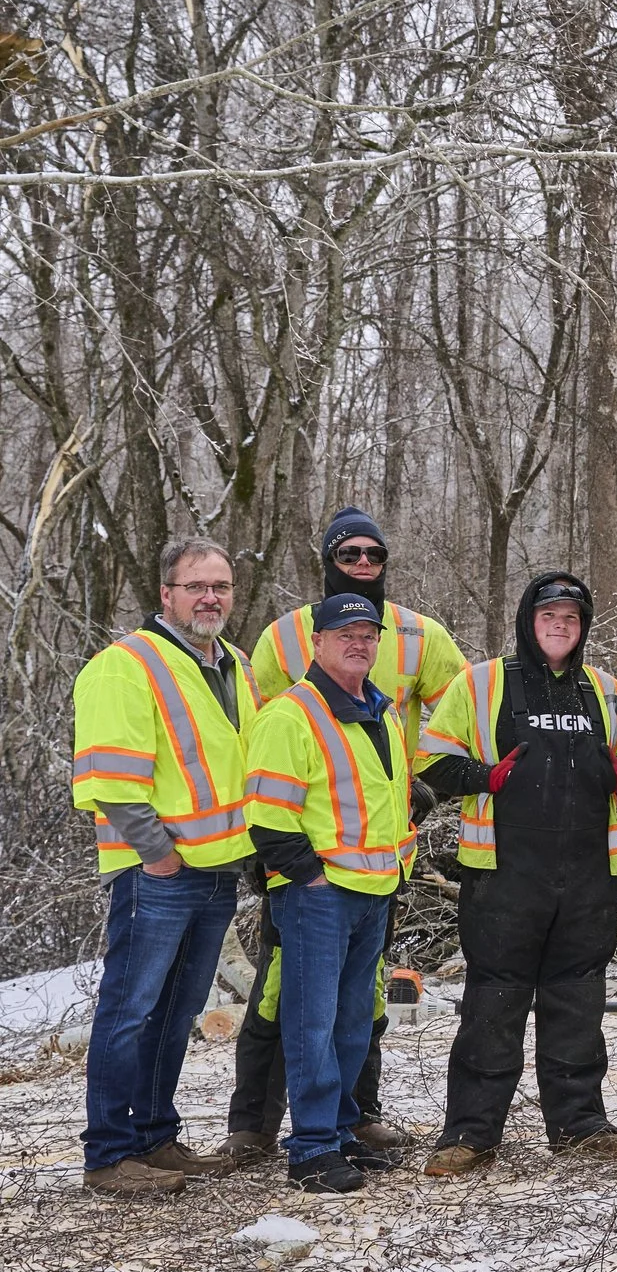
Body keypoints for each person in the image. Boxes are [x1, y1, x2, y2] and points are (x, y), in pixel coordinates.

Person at [224, 507, 464, 1158]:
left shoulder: (417, 639)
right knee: (289, 999)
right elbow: (260, 736)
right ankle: (258, 1126)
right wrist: (280, 854)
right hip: (311, 872)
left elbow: (464, 713)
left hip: (380, 870)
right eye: (347, 554)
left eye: (372, 555)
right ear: (326, 561)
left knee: (361, 1004)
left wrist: (430, 786)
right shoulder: (283, 639)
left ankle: (354, 1120)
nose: (361, 564)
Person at [416, 573, 617, 1174]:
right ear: (528, 619)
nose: (560, 626)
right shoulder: (481, 683)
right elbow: (433, 760)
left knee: (577, 998)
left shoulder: (603, 689)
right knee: (494, 1001)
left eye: (572, 618)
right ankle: (470, 1133)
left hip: (589, 874)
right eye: (550, 615)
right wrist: (484, 778)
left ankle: (580, 1125)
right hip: (503, 875)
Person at [71, 538, 260, 1197]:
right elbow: (111, 778)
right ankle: (109, 1152)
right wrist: (157, 853)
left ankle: (154, 1138)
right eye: (196, 585)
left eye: (221, 586)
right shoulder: (128, 665)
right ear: (166, 595)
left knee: (177, 1012)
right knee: (130, 1011)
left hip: (217, 870)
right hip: (157, 871)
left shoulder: (235, 664)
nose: (211, 597)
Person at [242, 593, 416, 1193]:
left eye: (368, 634)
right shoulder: (291, 714)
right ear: (317, 643)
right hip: (318, 895)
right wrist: (309, 874)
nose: (358, 643)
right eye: (345, 633)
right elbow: (266, 816)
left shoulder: (382, 712)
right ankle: (312, 1147)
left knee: (350, 1023)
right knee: (311, 1023)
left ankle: (341, 1131)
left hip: (373, 889)